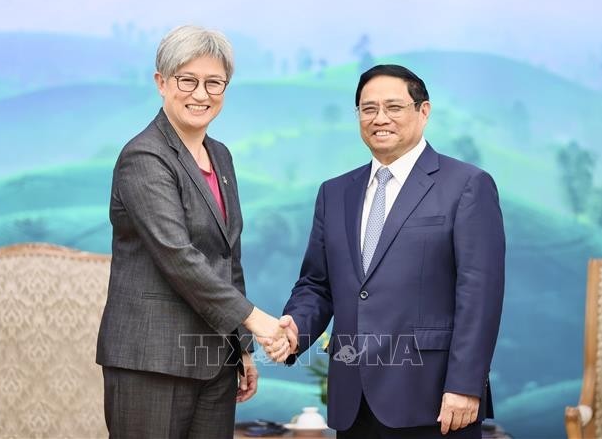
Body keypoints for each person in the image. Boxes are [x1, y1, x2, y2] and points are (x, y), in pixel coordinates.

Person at [275, 64, 505, 438]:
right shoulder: (334, 193)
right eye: (368, 109)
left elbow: (480, 294)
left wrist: (465, 385)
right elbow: (317, 284)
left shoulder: (466, 185)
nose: (380, 118)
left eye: (394, 107)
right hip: (354, 402)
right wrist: (293, 330)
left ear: (423, 111)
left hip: (434, 400)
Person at [95, 25, 289, 439]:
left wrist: (242, 347)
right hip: (151, 361)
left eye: (214, 83)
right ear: (161, 83)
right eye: (188, 80)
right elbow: (178, 257)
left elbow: (227, 256)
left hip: (214, 359)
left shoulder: (220, 156)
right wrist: (257, 320)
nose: (201, 94)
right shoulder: (144, 156)